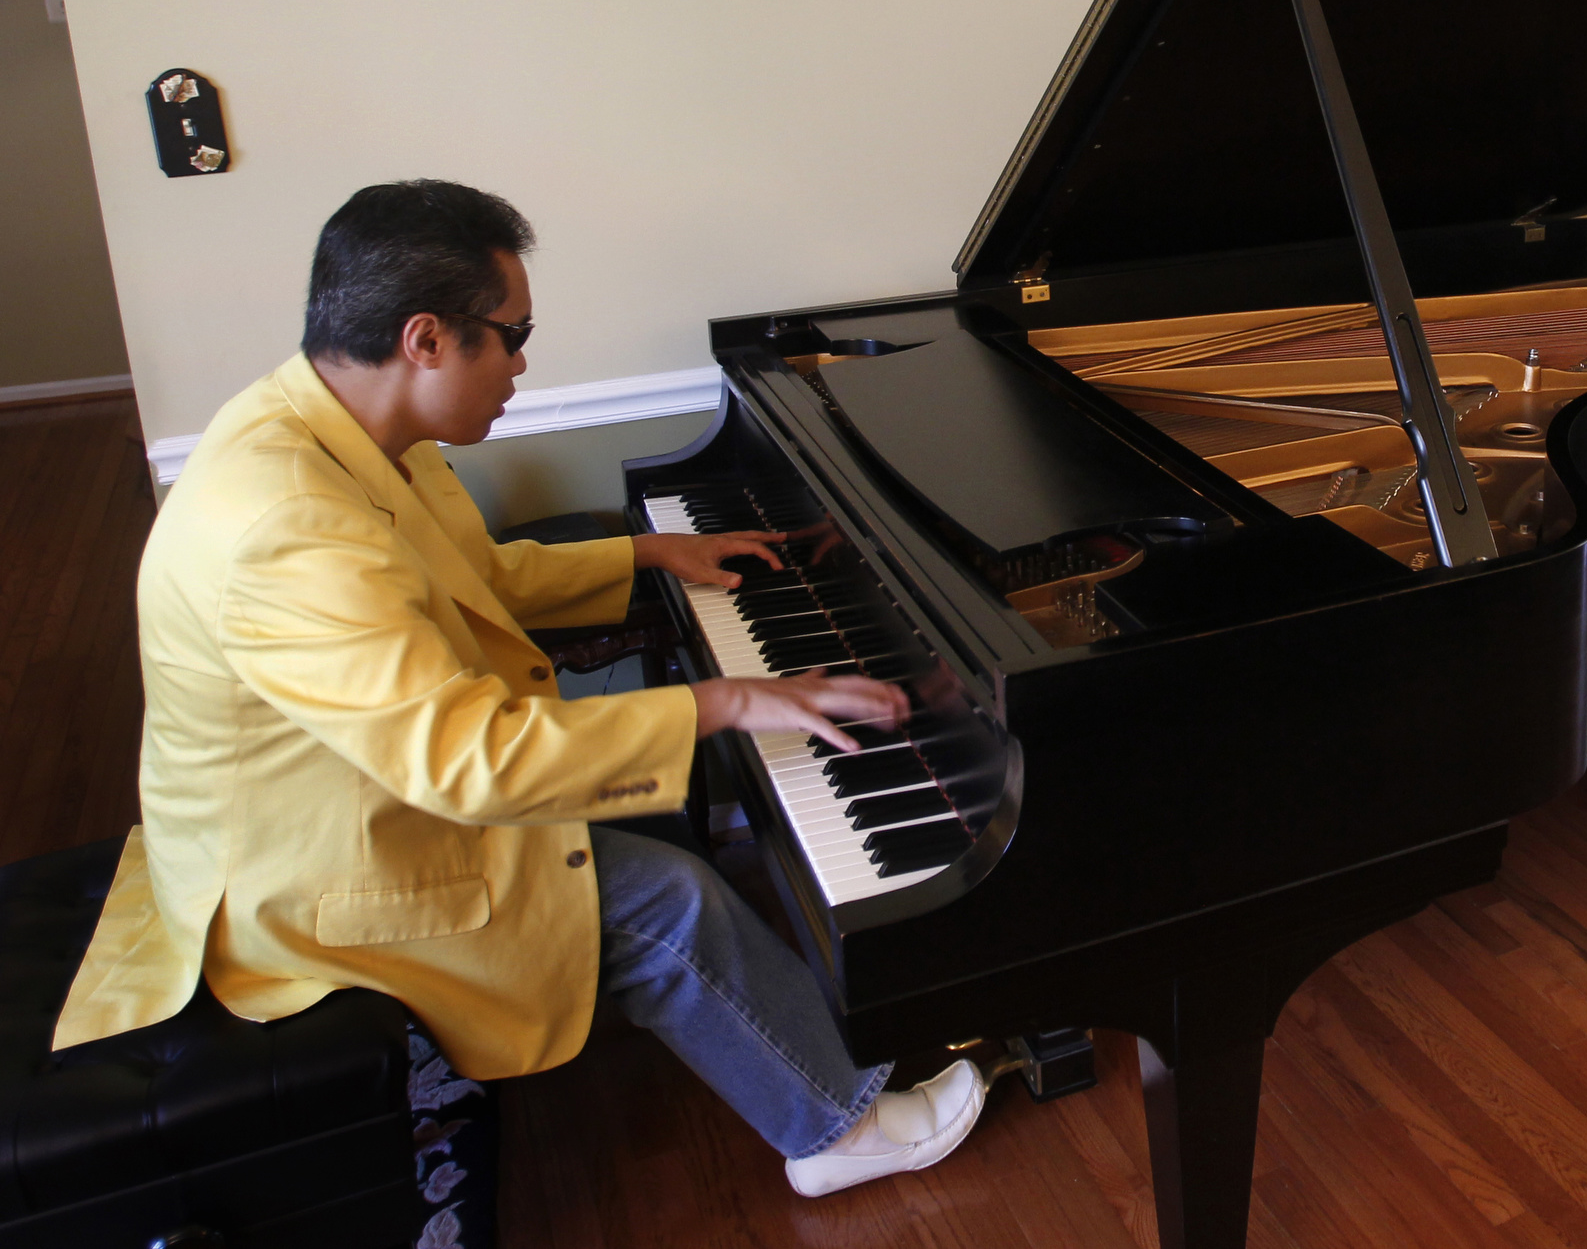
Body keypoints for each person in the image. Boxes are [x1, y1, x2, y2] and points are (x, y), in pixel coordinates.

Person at [53, 179, 985, 1197]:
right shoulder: (287, 527)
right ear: (425, 339)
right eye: (512, 332)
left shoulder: (336, 431)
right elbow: (469, 762)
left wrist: (649, 552)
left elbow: (476, 580)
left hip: (351, 795)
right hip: (310, 877)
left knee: (644, 853)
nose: (524, 361)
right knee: (666, 904)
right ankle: (834, 1129)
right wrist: (726, 700)